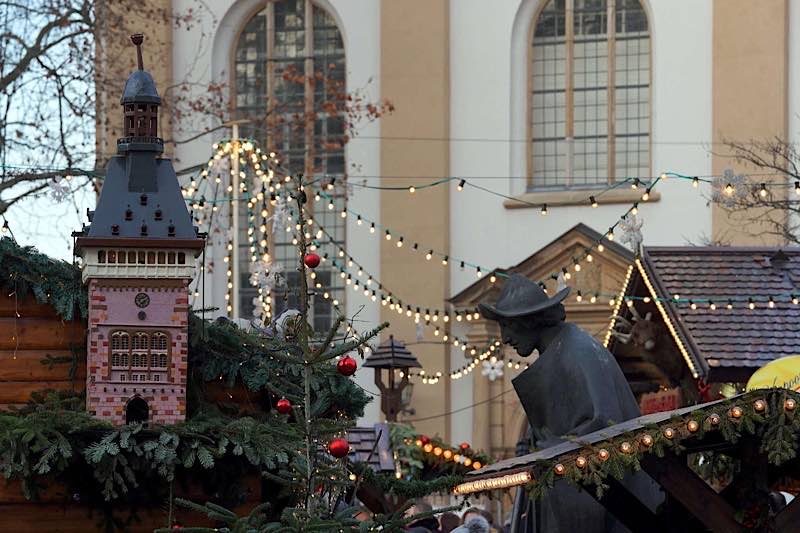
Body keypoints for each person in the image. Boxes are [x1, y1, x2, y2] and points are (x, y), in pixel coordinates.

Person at [478, 274, 661, 532]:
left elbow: (604, 422)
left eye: (508, 326)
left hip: (605, 504)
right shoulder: (562, 350)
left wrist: (548, 450)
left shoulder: (578, 350)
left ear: (529, 320)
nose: (505, 337)